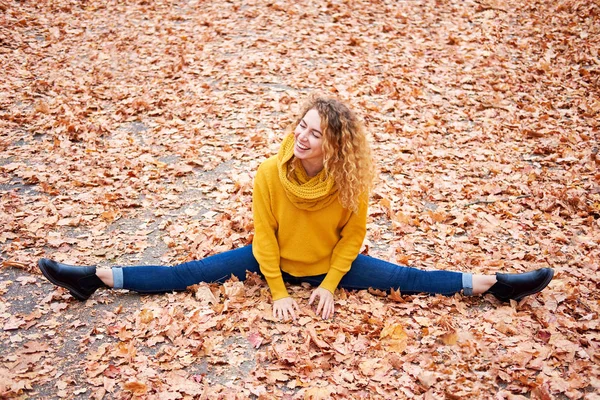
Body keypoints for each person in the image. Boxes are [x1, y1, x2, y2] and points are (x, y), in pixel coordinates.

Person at [37, 95, 554, 321]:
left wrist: (329, 285)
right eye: (301, 127)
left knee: (412, 277)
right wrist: (278, 292)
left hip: (332, 265)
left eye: (316, 133)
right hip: (275, 262)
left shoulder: (351, 182)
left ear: (335, 147)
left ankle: (494, 285)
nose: (302, 137)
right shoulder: (269, 173)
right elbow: (264, 237)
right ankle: (96, 276)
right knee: (186, 272)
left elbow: (352, 239)